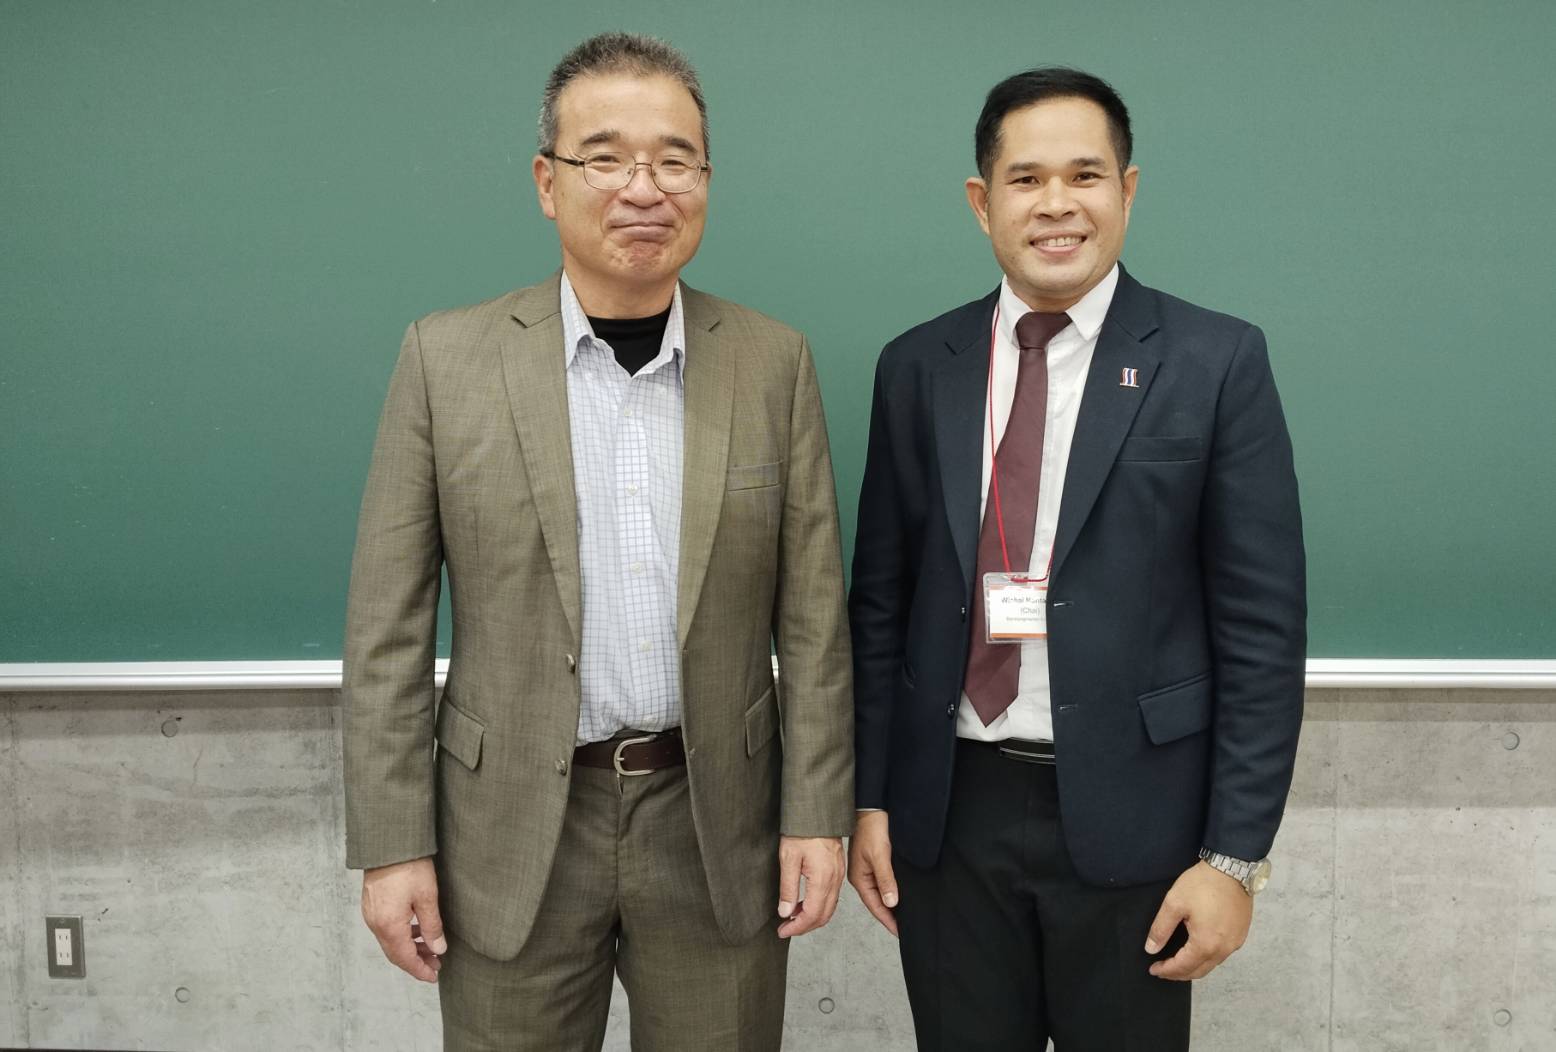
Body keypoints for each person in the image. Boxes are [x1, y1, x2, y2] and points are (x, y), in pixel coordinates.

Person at [341, 32, 853, 1052]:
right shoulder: (444, 359)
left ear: (705, 180)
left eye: (674, 159)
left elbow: (813, 623)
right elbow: (386, 628)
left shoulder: (772, 363)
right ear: (548, 181)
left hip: (715, 821)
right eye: (605, 158)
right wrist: (393, 845)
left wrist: (816, 811)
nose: (643, 188)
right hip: (509, 826)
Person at [846, 67, 1306, 1050]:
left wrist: (1233, 858)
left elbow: (1262, 635)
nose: (1056, 203)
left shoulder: (1214, 361)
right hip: (948, 816)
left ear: (1126, 190)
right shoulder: (916, 366)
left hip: (1138, 820)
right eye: (1025, 179)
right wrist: (870, 797)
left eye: (1084, 175)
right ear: (982, 202)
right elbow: (880, 603)